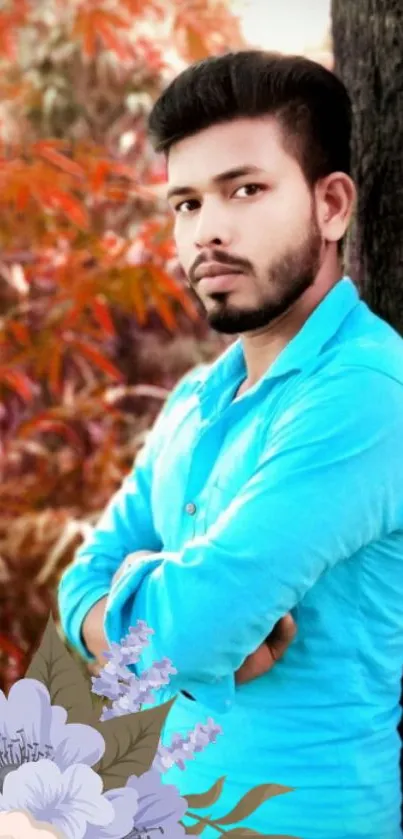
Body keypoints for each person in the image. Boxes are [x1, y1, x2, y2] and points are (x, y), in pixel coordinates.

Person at [58, 51, 403, 839]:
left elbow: (179, 639)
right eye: (185, 203)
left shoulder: (363, 396)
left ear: (332, 206)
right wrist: (154, 591)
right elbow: (81, 579)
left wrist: (151, 617)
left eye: (244, 190)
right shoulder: (195, 400)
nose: (207, 229)